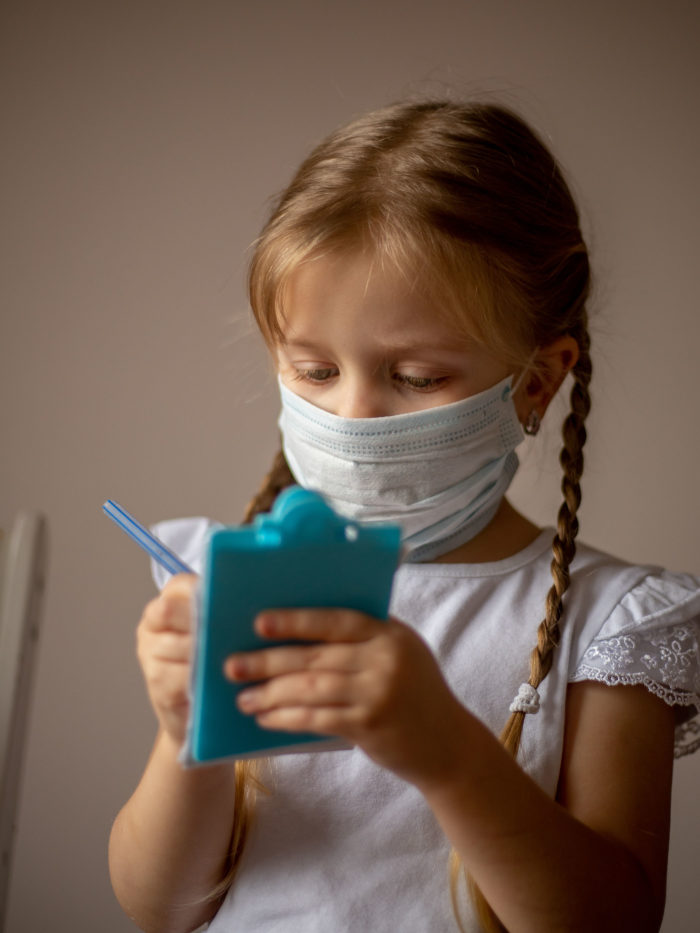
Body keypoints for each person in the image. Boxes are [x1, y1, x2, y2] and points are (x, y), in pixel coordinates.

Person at [108, 100, 700, 933]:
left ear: (536, 382)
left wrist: (445, 751)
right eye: (314, 369)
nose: (352, 415)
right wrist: (186, 736)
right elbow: (159, 908)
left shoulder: (608, 626)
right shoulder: (225, 580)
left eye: (417, 377)